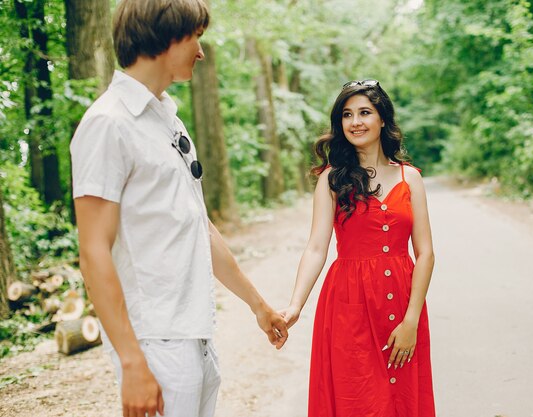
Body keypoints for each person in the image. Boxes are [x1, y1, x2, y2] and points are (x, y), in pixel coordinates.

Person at [70, 1, 288, 417]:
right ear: (167, 37)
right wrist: (132, 361)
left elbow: (197, 226)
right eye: (197, 38)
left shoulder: (167, 119)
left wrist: (258, 305)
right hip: (153, 341)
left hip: (195, 335)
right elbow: (93, 251)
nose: (201, 52)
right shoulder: (107, 124)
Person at [281, 79, 436, 416]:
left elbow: (425, 254)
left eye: (365, 112)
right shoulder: (332, 178)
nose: (356, 122)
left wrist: (410, 321)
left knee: (402, 396)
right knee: (358, 397)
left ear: (383, 119)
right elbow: (317, 247)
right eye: (347, 115)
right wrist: (295, 305)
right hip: (348, 304)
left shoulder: (411, 178)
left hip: (402, 300)